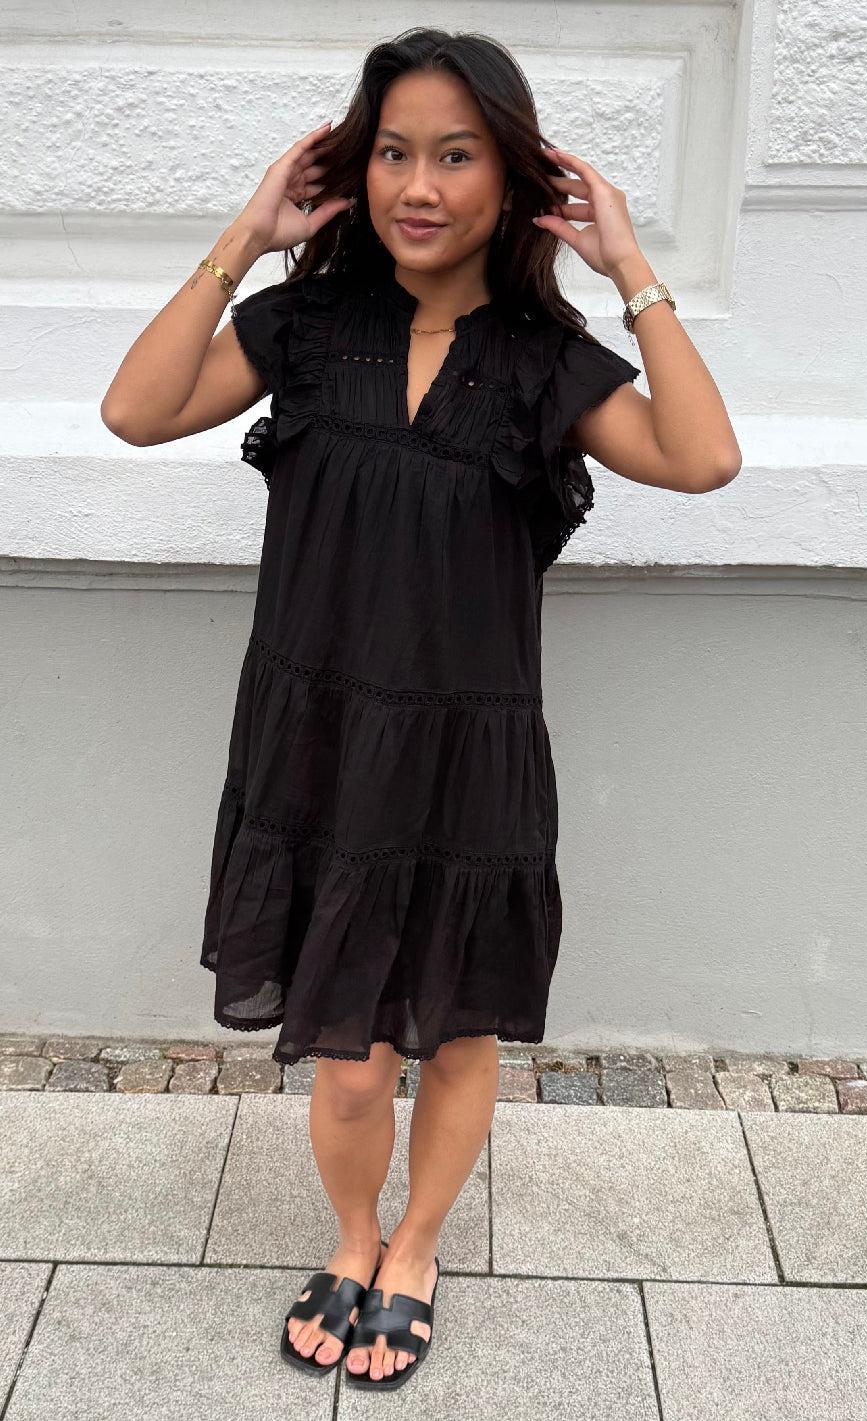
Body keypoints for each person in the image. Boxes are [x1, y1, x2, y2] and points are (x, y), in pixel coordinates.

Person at [100, 26, 741, 1392]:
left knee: (454, 1032)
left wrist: (630, 267)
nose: (420, 185)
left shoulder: (540, 362)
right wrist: (246, 235)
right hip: (321, 746)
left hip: (468, 754)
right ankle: (352, 1235)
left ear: (509, 181)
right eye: (394, 152)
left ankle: (418, 1249)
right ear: (358, 166)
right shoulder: (309, 329)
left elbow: (702, 457)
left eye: (456, 155)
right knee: (348, 1064)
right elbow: (134, 411)